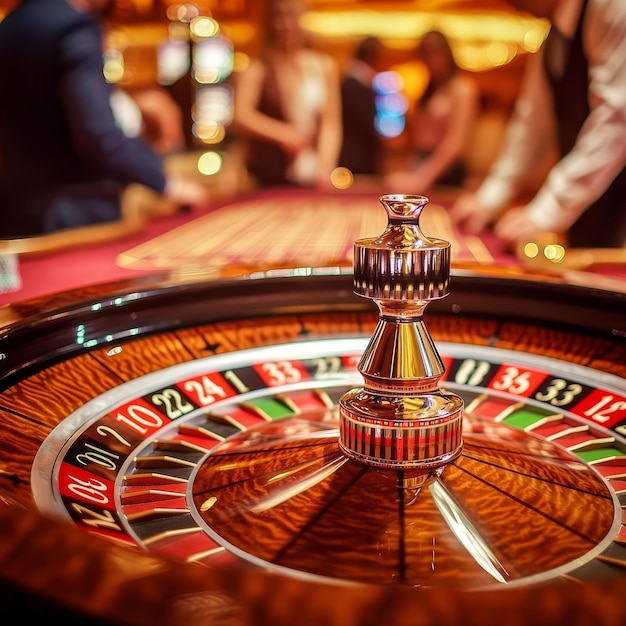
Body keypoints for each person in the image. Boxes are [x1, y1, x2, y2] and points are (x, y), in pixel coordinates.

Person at [0, 0, 209, 238]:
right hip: (77, 213)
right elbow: (98, 134)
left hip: (15, 212)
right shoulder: (74, 25)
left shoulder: (10, 24)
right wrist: (166, 183)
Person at [450, 0, 626, 249]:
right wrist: (491, 198)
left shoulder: (612, 5)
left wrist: (547, 211)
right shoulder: (550, 39)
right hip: (593, 206)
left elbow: (616, 118)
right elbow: (530, 125)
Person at [231, 0, 342, 189]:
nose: (285, 24)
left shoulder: (323, 67)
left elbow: (330, 123)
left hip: (311, 172)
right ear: (269, 22)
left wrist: (325, 166)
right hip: (267, 177)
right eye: (278, 16)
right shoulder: (257, 68)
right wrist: (284, 134)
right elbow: (241, 116)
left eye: (291, 15)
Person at [386, 30, 479, 192]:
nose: (431, 61)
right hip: (421, 165)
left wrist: (422, 178)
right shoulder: (428, 91)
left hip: (447, 172)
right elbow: (415, 141)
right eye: (426, 55)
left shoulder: (462, 89)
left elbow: (455, 144)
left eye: (435, 53)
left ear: (447, 54)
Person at [338, 36, 383, 177]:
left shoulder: (346, 82)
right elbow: (368, 122)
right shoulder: (358, 85)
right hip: (357, 160)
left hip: (347, 155)